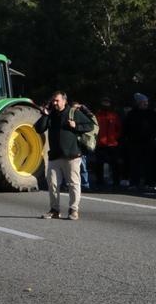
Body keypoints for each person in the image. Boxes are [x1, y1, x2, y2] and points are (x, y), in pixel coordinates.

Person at [34, 91, 94, 220]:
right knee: (52, 184)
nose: (54, 103)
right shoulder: (51, 115)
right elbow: (38, 129)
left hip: (72, 155)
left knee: (73, 184)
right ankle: (54, 210)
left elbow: (90, 125)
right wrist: (45, 115)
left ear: (64, 101)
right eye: (53, 101)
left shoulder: (73, 113)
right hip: (55, 156)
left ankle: (73, 210)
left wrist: (76, 126)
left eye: (57, 100)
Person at [122, 93, 156, 190]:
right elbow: (126, 128)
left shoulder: (152, 114)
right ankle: (134, 183)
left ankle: (150, 183)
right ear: (138, 103)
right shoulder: (132, 114)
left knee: (149, 164)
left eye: (146, 102)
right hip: (135, 143)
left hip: (149, 143)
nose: (145, 104)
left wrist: (155, 137)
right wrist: (126, 139)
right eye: (143, 102)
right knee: (134, 164)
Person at [94, 97, 122, 188]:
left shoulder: (114, 115)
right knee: (99, 164)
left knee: (115, 164)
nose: (106, 104)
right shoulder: (97, 115)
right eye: (104, 102)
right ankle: (99, 181)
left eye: (107, 102)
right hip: (100, 143)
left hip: (112, 144)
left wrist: (115, 137)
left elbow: (119, 128)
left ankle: (116, 182)